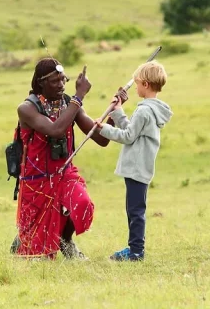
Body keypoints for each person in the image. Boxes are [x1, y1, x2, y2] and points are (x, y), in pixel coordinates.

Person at [11, 58, 125, 260]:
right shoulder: (27, 108)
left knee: (82, 204)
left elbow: (100, 139)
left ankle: (66, 240)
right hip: (36, 179)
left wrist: (114, 111)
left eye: (63, 80)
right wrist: (79, 96)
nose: (61, 85)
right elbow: (55, 130)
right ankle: (23, 238)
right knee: (38, 254)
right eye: (55, 81)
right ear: (40, 83)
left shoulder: (69, 104)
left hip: (64, 173)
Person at [94, 61, 172, 261]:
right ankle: (134, 248)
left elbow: (128, 136)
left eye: (137, 84)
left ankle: (136, 252)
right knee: (134, 209)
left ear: (145, 84)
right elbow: (133, 131)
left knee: (135, 211)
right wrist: (118, 112)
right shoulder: (151, 109)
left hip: (137, 168)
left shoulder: (144, 110)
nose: (135, 87)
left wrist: (102, 129)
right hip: (141, 166)